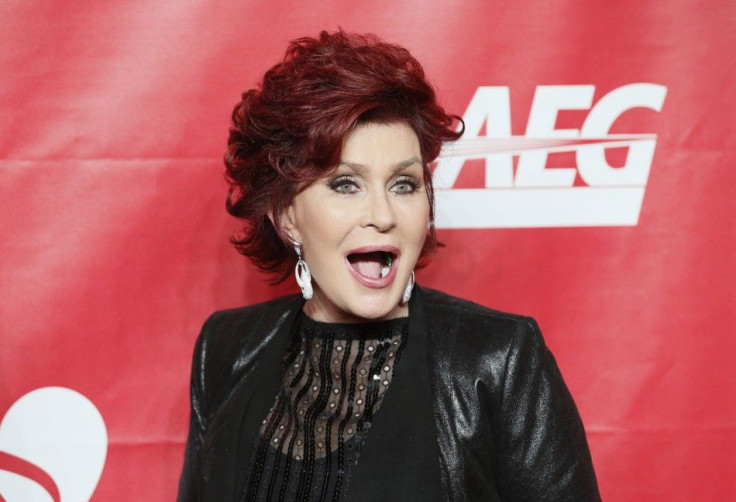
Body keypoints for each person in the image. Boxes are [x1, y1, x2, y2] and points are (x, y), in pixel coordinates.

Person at [178, 30, 600, 502]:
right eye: (345, 184)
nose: (382, 215)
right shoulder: (227, 349)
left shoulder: (498, 361)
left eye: (403, 184)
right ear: (287, 216)